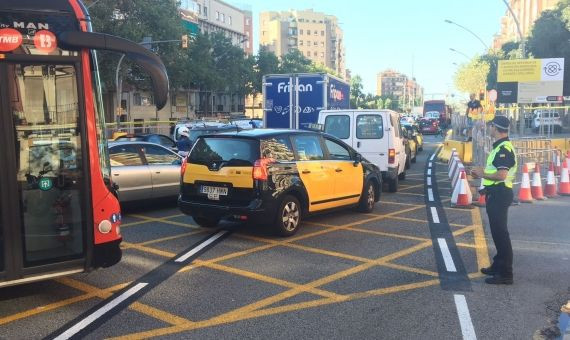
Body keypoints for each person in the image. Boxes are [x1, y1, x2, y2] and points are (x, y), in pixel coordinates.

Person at [470, 115, 516, 285]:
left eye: (491, 126)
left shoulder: (504, 149)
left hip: (500, 194)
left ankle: (506, 274)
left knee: (501, 234)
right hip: (495, 193)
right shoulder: (499, 147)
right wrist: (483, 177)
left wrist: (483, 174)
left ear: (496, 128)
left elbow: (502, 175)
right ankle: (498, 265)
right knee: (497, 233)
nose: (489, 129)